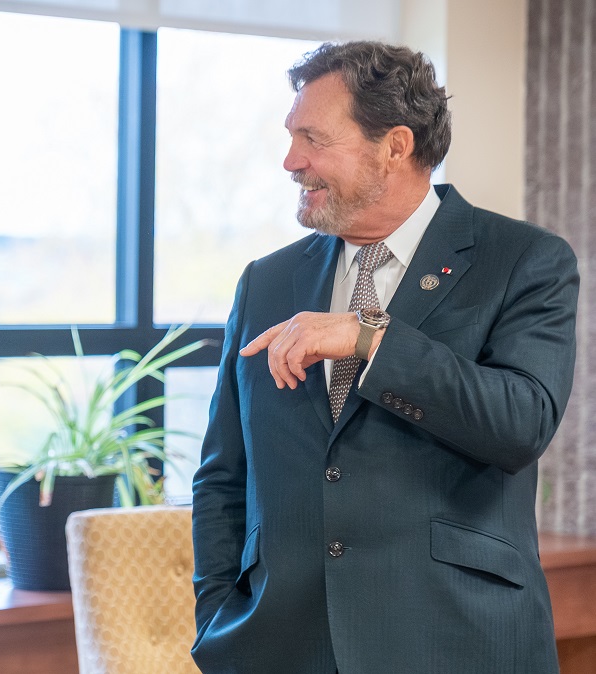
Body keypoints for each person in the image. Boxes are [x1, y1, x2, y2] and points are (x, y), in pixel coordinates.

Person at [190, 41, 577, 674]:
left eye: (313, 139)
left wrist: (370, 340)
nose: (291, 161)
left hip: (457, 642)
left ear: (394, 145)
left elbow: (520, 423)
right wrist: (217, 617)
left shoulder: (524, 261)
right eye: (291, 138)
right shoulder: (266, 282)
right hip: (283, 647)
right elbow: (224, 474)